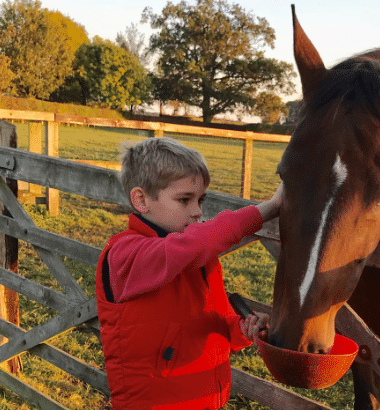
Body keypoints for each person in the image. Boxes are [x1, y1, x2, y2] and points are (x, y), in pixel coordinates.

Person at [95, 137, 282, 410]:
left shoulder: (199, 259)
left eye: (200, 200)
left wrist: (240, 329)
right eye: (184, 199)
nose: (197, 212)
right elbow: (196, 243)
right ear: (141, 199)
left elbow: (215, 321)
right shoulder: (125, 254)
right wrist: (271, 207)